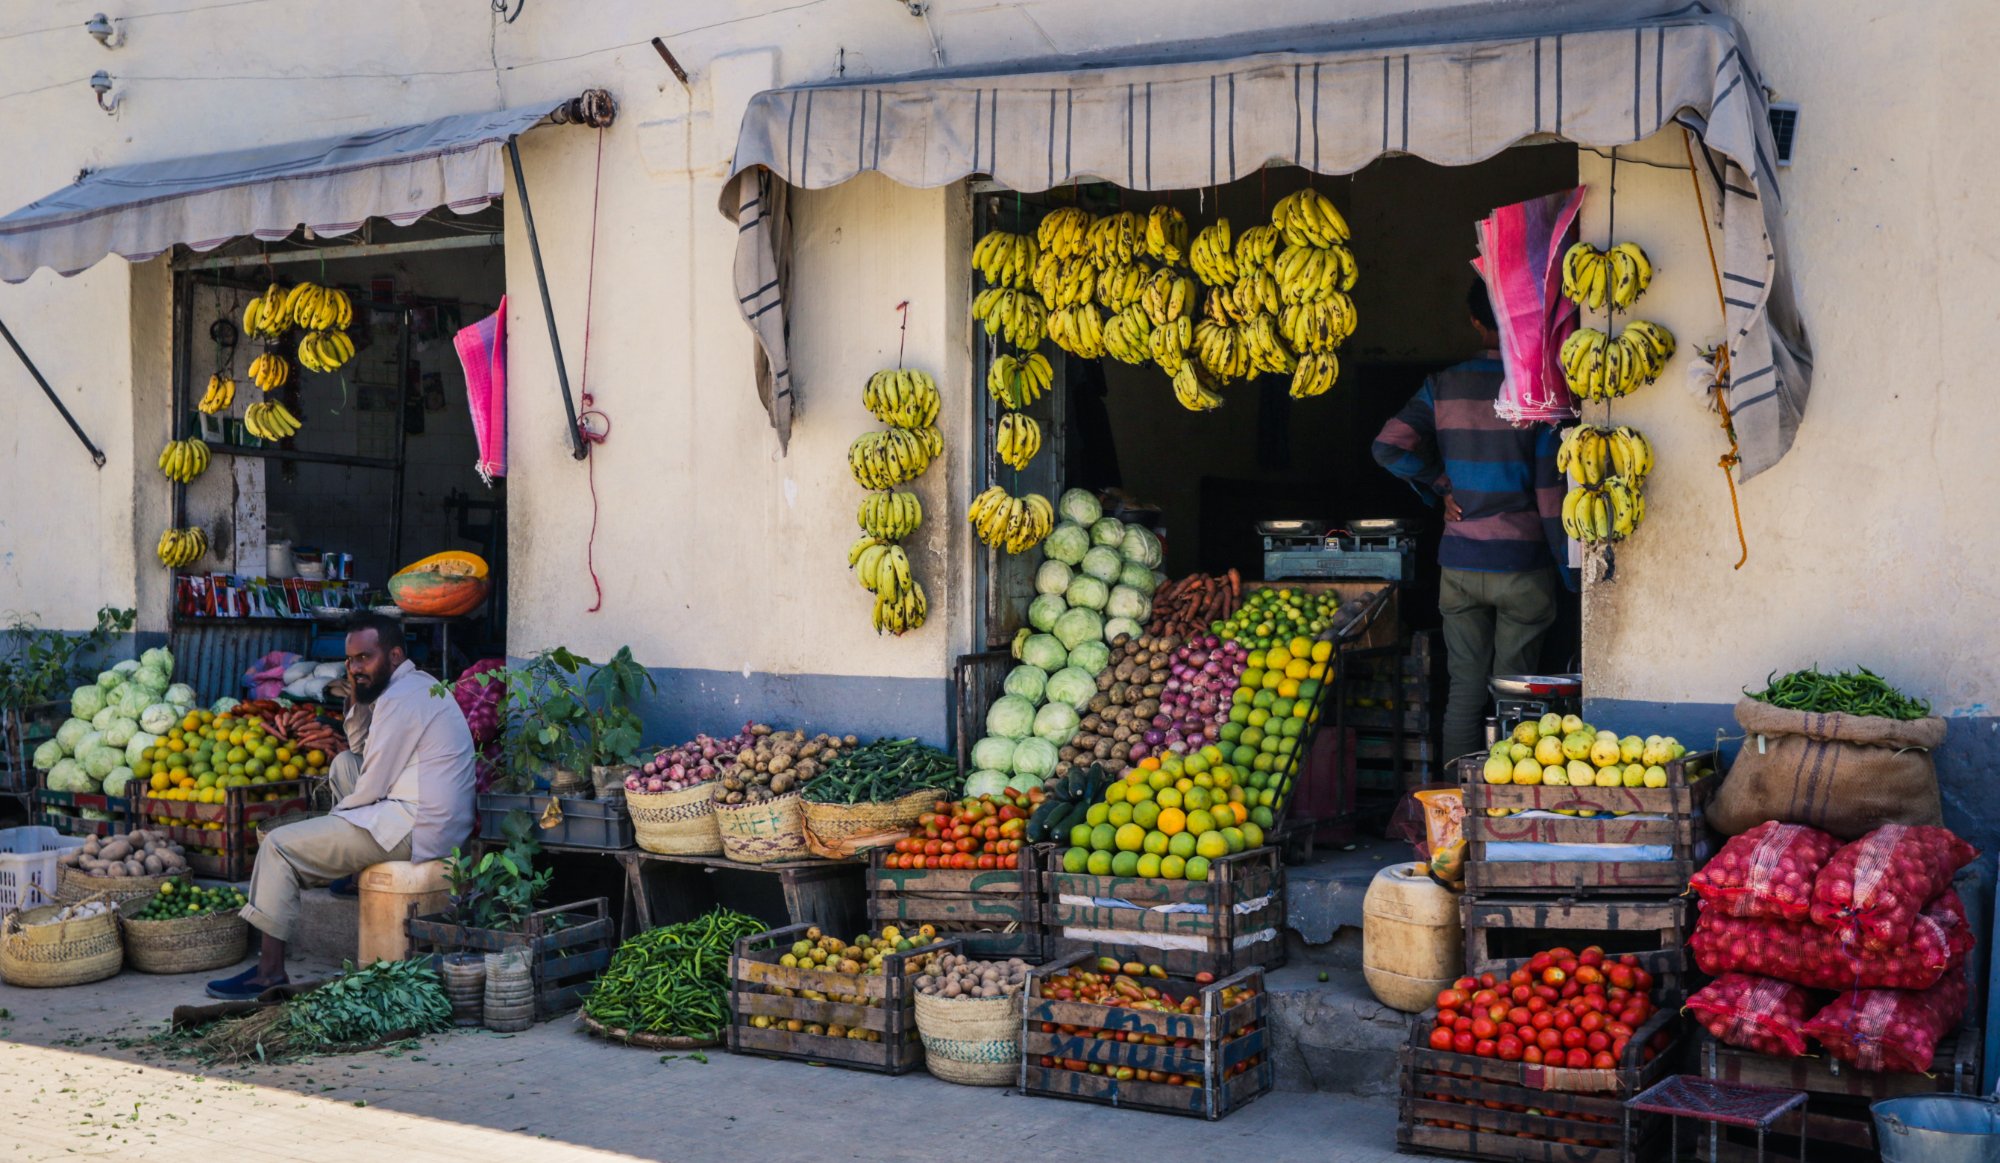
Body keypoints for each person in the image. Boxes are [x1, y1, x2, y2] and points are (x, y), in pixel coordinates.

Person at [207, 612, 476, 999]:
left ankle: (268, 972)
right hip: (428, 813)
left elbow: (373, 785)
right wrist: (357, 696)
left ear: (396, 655)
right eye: (350, 661)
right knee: (342, 764)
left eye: (365, 658)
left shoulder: (402, 699)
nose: (355, 668)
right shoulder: (411, 686)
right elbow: (360, 753)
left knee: (279, 846)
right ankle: (351, 875)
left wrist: (333, 823)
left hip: (417, 827)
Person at [1372, 281, 1575, 762]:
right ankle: (1502, 804)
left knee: (1463, 690)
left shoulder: (1441, 386)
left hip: (1460, 565)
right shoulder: (1537, 392)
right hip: (1522, 565)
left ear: (1474, 321)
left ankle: (1454, 801)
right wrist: (1569, 573)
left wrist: (1440, 484)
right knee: (1515, 695)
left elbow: (1387, 446)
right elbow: (1551, 494)